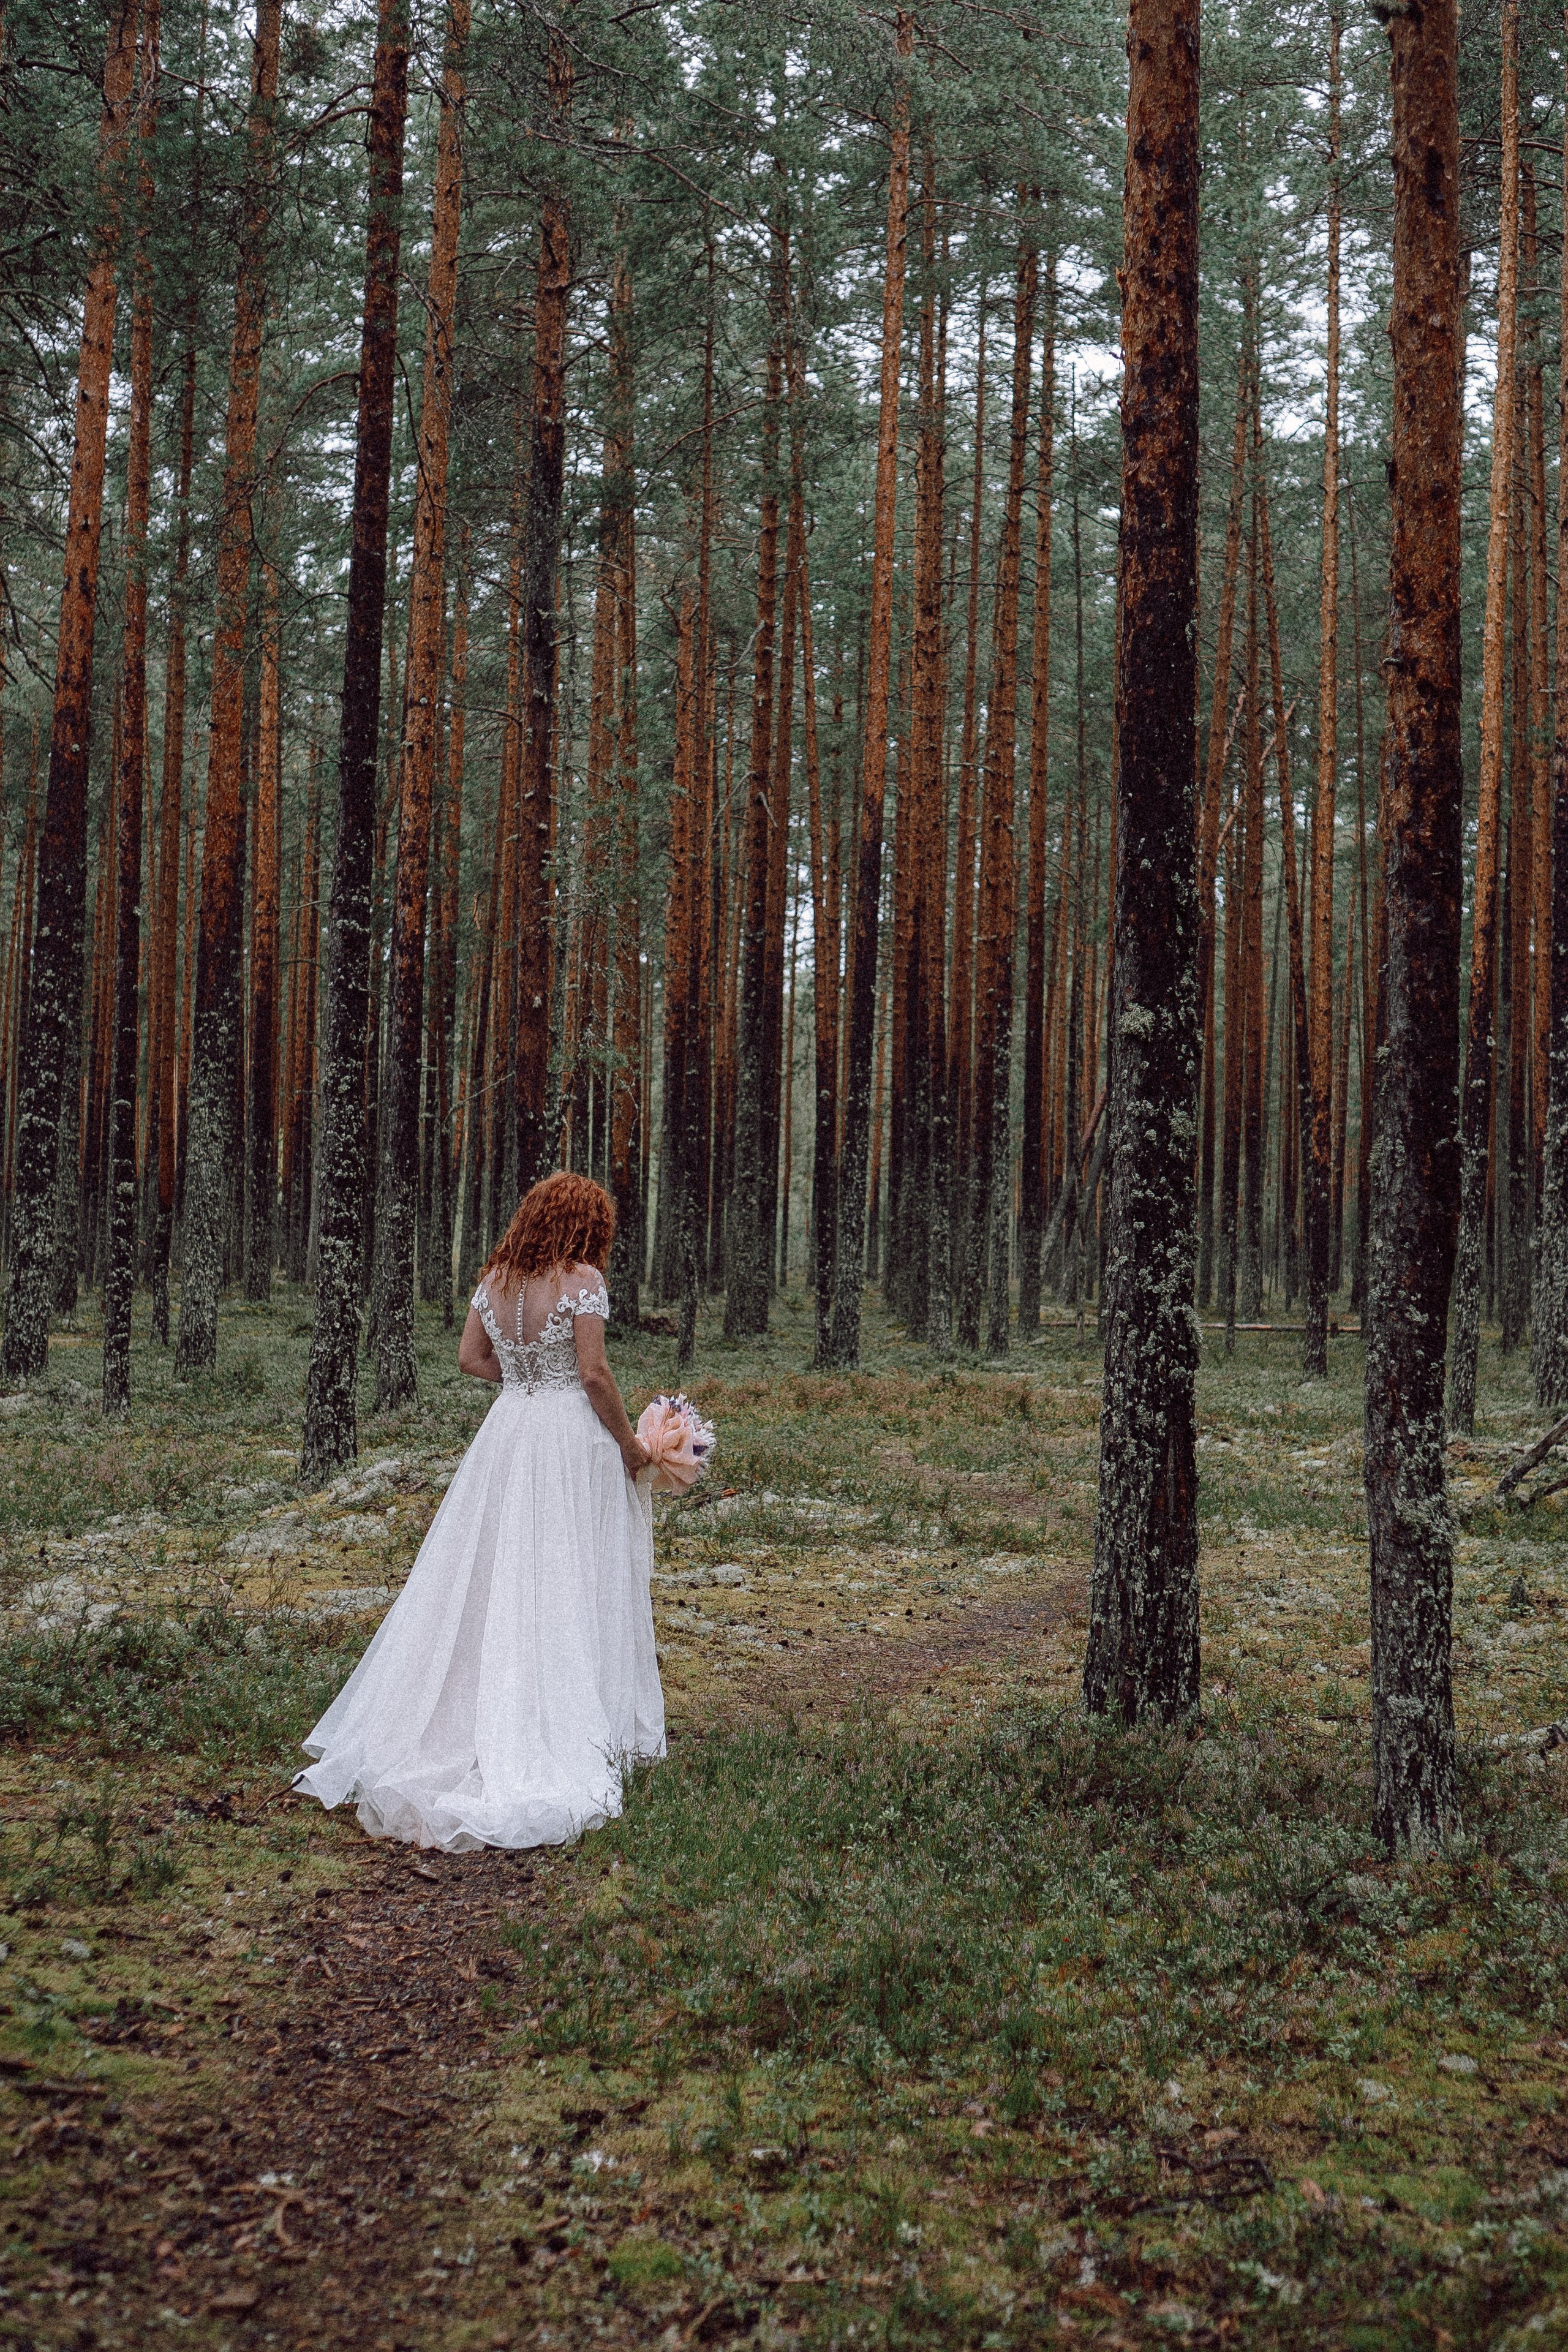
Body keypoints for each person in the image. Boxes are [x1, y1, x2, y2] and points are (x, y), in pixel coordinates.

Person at [294, 1171, 663, 1852]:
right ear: (586, 1225)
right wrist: (631, 1444)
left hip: (508, 1433)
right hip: (565, 1438)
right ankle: (559, 1719)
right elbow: (592, 1374)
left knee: (493, 1571)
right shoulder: (581, 1280)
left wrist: (523, 1377)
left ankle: (462, 1709)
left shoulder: (495, 1279)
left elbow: (470, 1359)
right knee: (565, 1570)